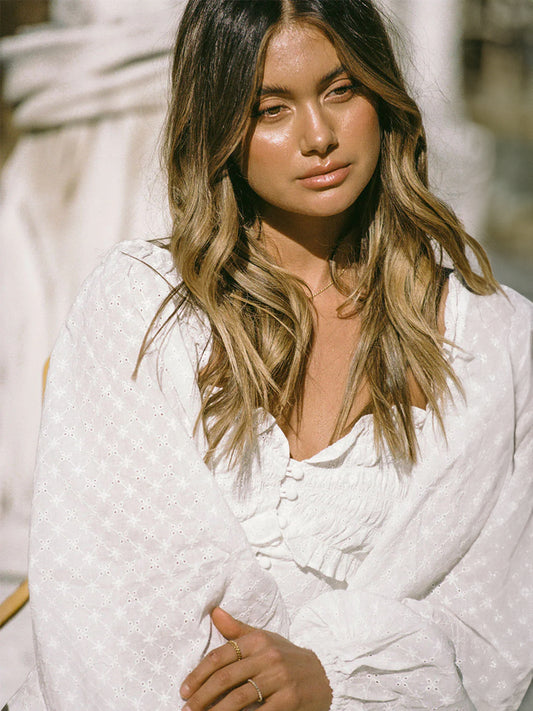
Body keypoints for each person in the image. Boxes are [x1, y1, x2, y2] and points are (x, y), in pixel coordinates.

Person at [4, 0, 532, 710]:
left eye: (340, 91)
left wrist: (335, 678)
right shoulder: (142, 309)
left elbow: (494, 630)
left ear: (381, 97)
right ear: (221, 125)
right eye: (270, 109)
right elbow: (108, 613)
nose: (318, 136)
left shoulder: (496, 344)